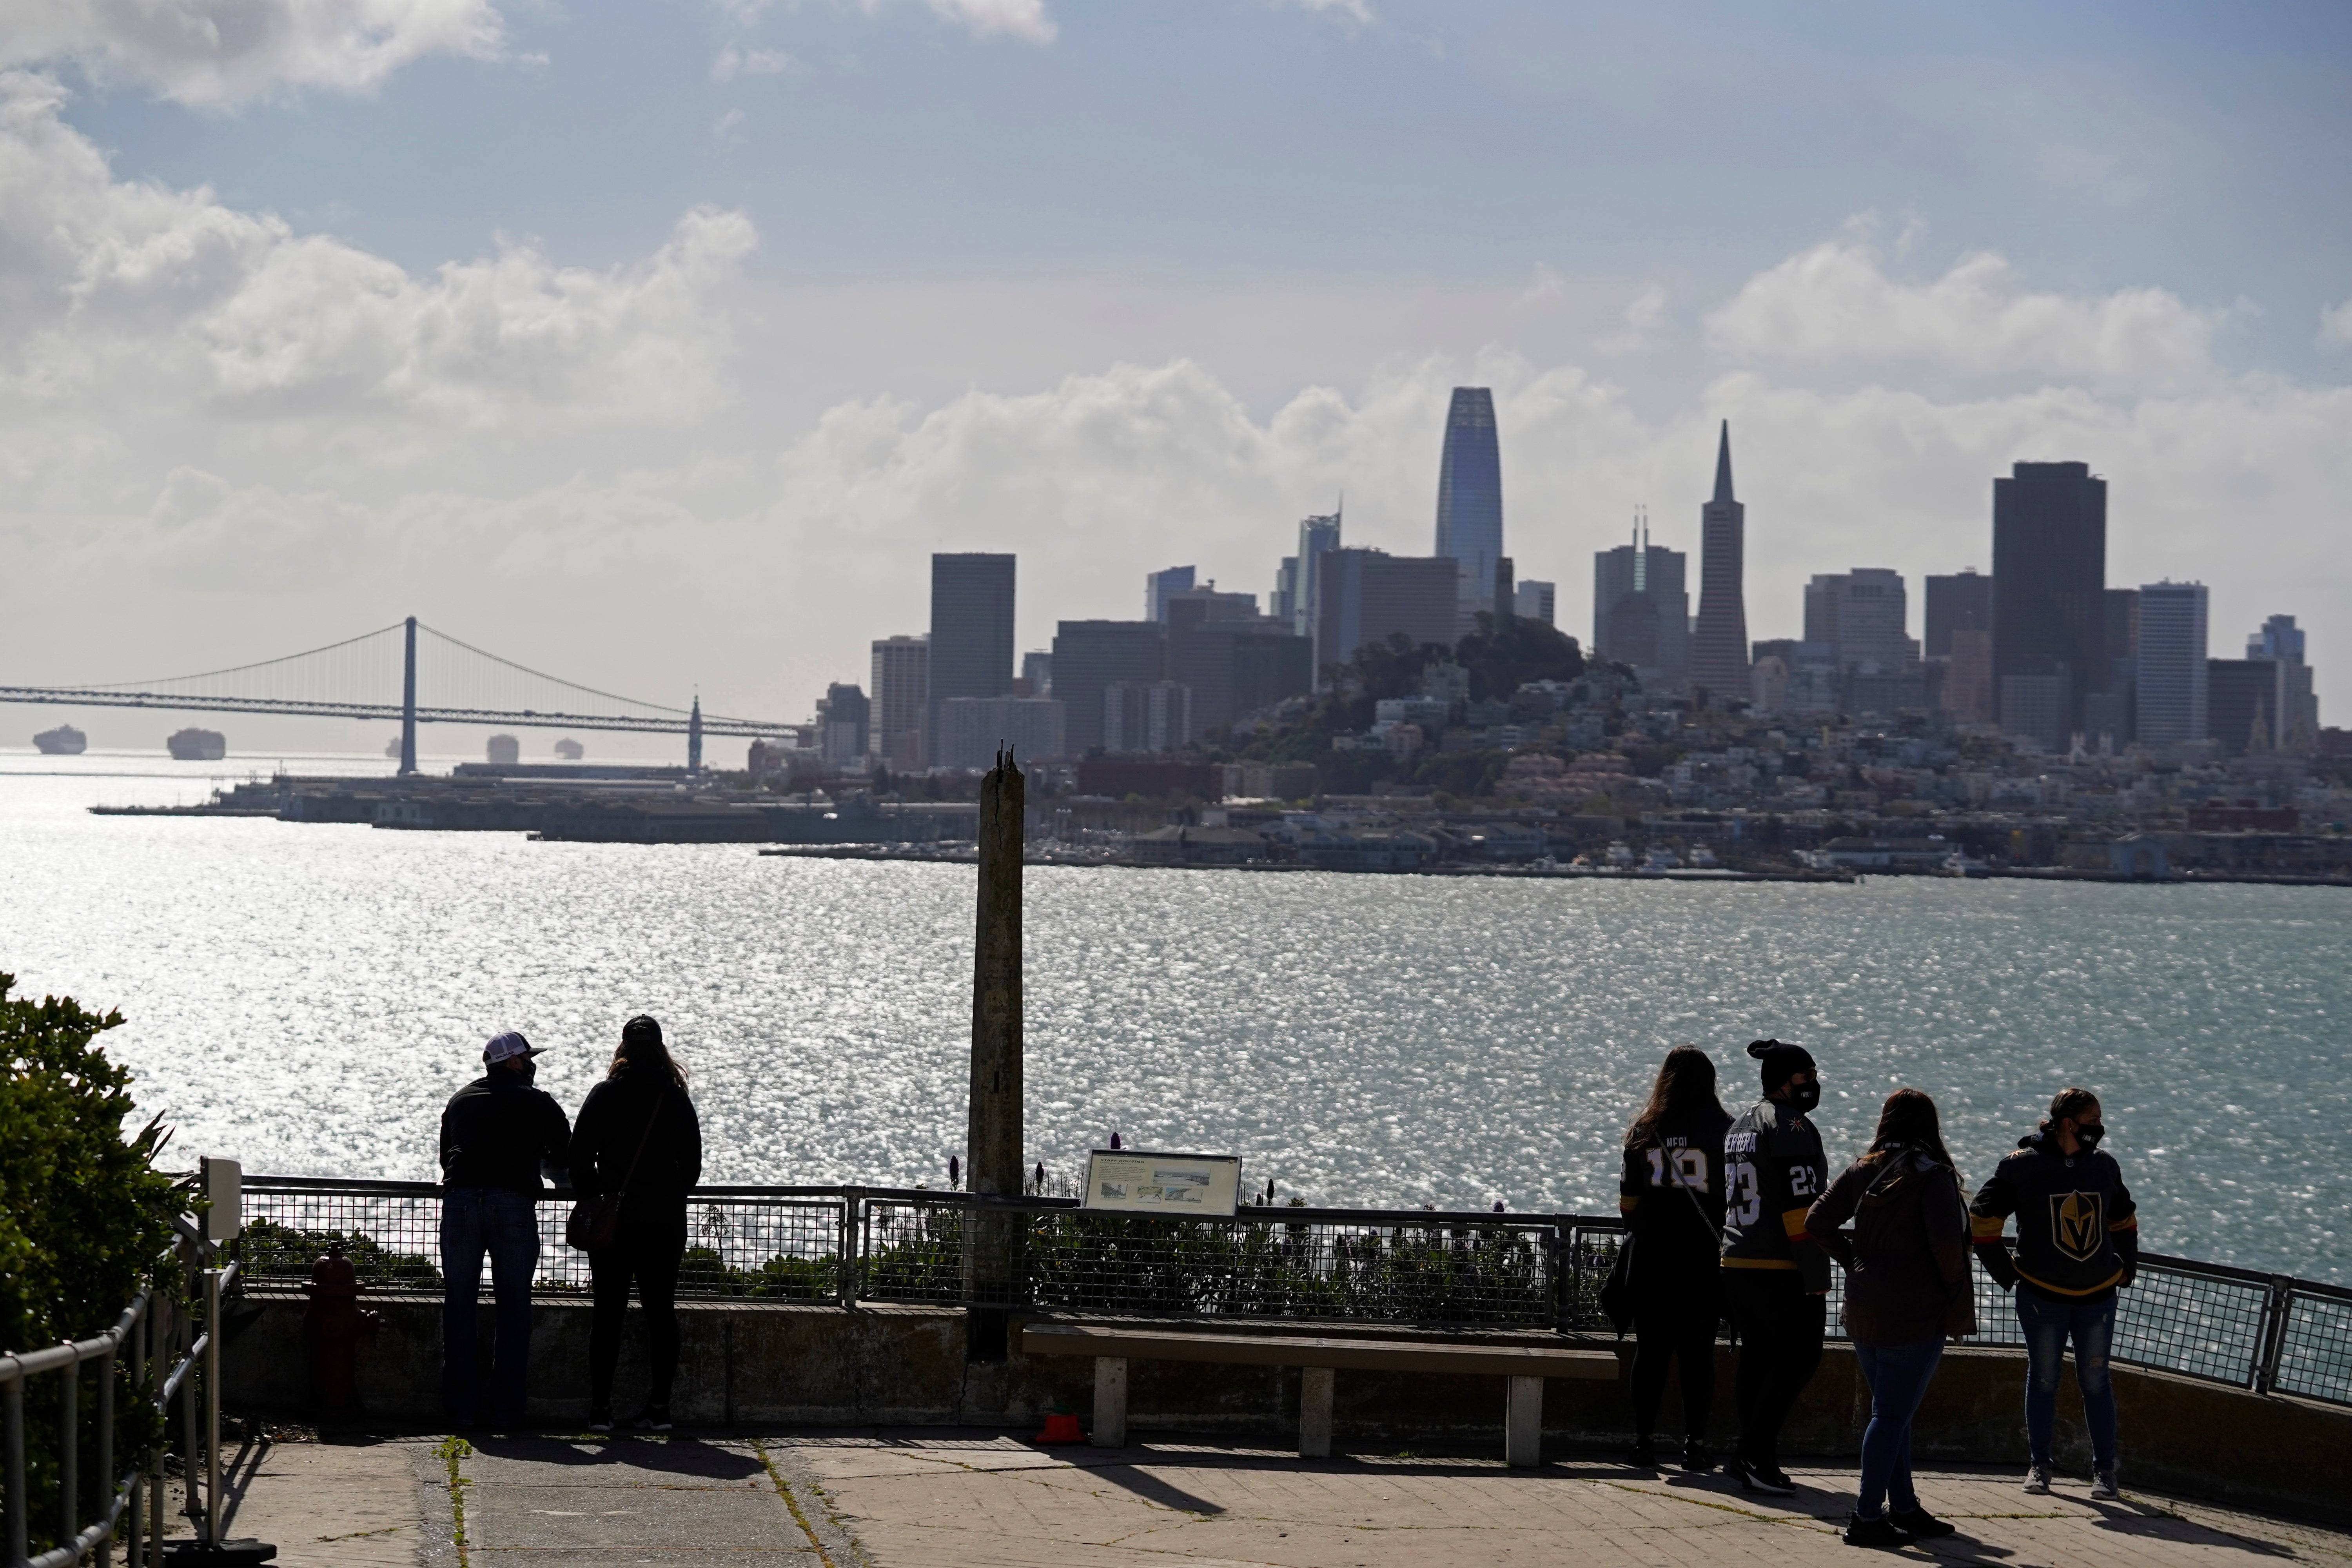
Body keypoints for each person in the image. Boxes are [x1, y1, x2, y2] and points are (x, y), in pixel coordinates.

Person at [1808, 1089, 1970, 1549]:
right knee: (1891, 1414)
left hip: (1864, 1309)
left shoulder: (1863, 1169)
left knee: (1895, 1413)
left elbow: (1817, 1221)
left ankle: (1904, 1508)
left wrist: (1854, 1259)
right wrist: (1953, 1294)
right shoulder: (1933, 1176)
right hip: (1915, 1312)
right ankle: (1866, 1517)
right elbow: (1946, 1247)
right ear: (1929, 1126)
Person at [1969, 1087, 2137, 1501]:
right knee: (2044, 1379)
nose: (2101, 1128)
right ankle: (2040, 1467)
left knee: (2096, 1381)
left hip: (2097, 1298)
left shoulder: (2104, 1166)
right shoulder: (2021, 1167)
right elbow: (1982, 1219)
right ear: (2068, 1124)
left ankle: (2104, 1472)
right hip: (2041, 1297)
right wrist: (2007, 1275)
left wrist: (2125, 1269)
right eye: (2094, 1120)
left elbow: (2124, 1219)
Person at [571, 1014, 703, 1433]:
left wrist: (601, 1194)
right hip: (664, 1219)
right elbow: (693, 1167)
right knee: (661, 1312)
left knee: (607, 1312)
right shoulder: (675, 1097)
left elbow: (578, 1157)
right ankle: (660, 1409)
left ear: (623, 1048)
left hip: (616, 1219)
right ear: (662, 1049)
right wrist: (665, 1191)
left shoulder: (606, 1093)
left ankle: (600, 1411)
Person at [438, 1029, 572, 1428]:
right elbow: (566, 1156)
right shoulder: (537, 1101)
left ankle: (461, 1413)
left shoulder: (461, 1100)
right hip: (512, 1202)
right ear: (514, 1062)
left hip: (460, 1202)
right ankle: (506, 1413)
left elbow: (447, 1158)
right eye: (529, 1058)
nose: (532, 1064)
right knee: (514, 1307)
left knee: (459, 1305)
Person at [1718, 1038, 1830, 1497]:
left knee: (1758, 1361)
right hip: (1779, 1264)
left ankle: (1757, 1459)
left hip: (1736, 1259)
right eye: (1807, 1076)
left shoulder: (1739, 1124)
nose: (1814, 1084)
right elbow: (1800, 1210)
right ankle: (1751, 1452)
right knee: (1801, 1359)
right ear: (1785, 1081)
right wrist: (1817, 1276)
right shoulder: (1793, 1127)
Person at [1617, 1045, 1732, 1472]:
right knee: (1698, 1356)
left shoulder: (1644, 1131)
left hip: (1652, 1258)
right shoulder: (1725, 1130)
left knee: (1650, 1353)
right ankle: (1695, 1445)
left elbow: (1628, 1206)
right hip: (1703, 1260)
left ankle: (1643, 1443)